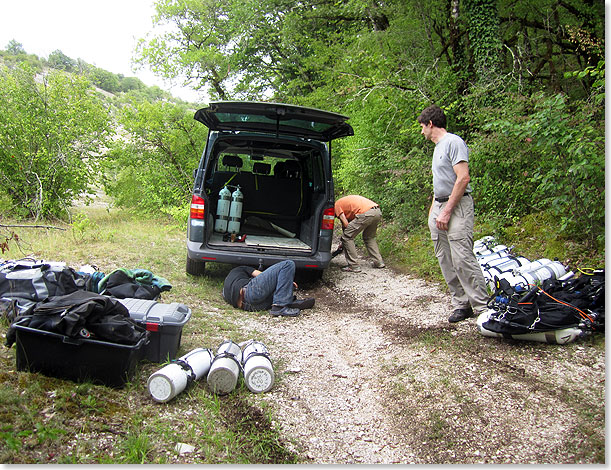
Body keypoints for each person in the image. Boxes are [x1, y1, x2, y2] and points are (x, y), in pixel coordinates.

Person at [417, 104, 489, 323]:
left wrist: (447, 211)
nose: (422, 132)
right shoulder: (438, 147)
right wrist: (434, 212)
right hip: (439, 206)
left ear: (431, 124)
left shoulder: (453, 142)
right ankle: (461, 304)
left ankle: (483, 308)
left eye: (422, 127)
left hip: (456, 206)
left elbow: (463, 178)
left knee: (462, 257)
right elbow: (439, 183)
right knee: (445, 258)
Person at [222, 260, 315, 317]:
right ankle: (280, 306)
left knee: (276, 292)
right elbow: (261, 275)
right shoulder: (242, 268)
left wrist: (285, 282)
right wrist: (286, 279)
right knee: (288, 264)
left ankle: (288, 302)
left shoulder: (230, 284)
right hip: (249, 294)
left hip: (249, 307)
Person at [334, 195, 385, 273]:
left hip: (366, 213)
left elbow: (346, 224)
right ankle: (379, 262)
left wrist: (345, 239)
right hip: (377, 211)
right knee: (369, 237)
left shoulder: (336, 205)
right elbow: (348, 227)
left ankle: (353, 266)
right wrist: (344, 242)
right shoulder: (345, 205)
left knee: (347, 237)